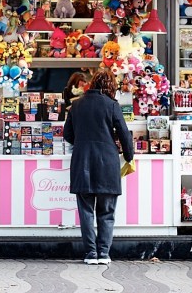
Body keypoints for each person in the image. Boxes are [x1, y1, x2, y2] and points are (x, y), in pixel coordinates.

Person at [63, 69, 134, 265]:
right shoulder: (112, 105)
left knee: (86, 211)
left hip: (82, 161)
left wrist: (83, 140)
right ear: (111, 86)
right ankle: (103, 253)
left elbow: (67, 134)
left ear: (92, 83)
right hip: (107, 164)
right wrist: (129, 156)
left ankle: (90, 254)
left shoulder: (76, 105)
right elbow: (124, 134)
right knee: (107, 212)